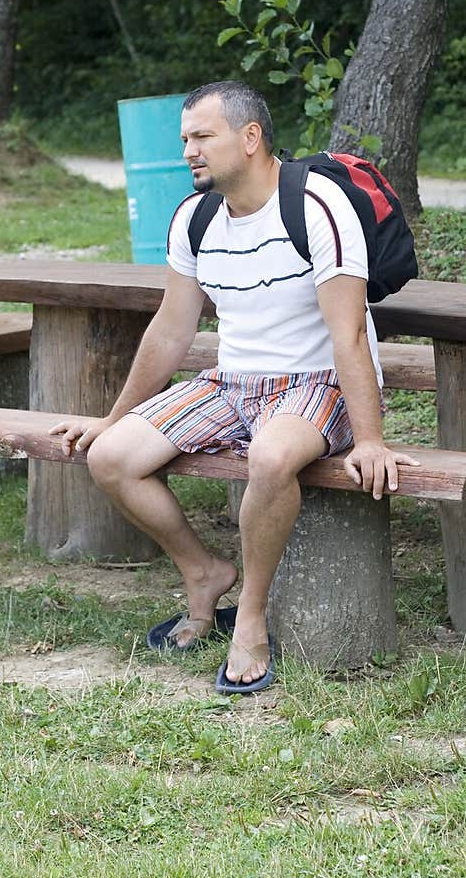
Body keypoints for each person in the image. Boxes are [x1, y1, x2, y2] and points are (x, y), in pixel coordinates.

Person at [48, 80, 417, 692]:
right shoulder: (194, 217)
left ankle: (249, 614)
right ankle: (202, 574)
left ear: (249, 139)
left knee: (271, 458)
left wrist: (371, 439)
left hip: (316, 383)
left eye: (202, 137)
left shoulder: (318, 206)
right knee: (112, 458)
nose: (189, 151)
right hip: (231, 381)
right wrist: (112, 419)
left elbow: (348, 333)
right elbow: (170, 330)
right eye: (184, 139)